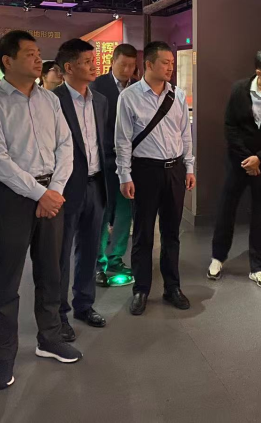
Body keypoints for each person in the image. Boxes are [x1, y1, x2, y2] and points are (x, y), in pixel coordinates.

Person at [0, 30, 81, 391]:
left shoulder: (50, 100)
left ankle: (49, 338)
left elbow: (66, 146)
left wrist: (54, 191)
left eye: (38, 53)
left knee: (51, 271)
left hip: (52, 194)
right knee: (7, 279)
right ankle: (3, 355)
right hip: (12, 198)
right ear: (7, 61)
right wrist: (40, 194)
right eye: (30, 54)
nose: (38, 59)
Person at [116, 40, 195, 316]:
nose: (170, 67)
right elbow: (122, 140)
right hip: (144, 171)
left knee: (172, 233)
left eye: (172, 63)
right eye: (165, 62)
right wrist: (124, 175)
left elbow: (185, 135)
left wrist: (189, 167)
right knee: (143, 233)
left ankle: (172, 287)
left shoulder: (177, 95)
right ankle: (141, 289)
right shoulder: (129, 97)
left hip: (174, 170)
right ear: (148, 64)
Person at [207, 49, 261, 289]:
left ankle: (257, 267)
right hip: (238, 162)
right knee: (226, 210)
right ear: (260, 73)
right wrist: (248, 159)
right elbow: (230, 127)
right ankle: (218, 258)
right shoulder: (239, 90)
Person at [53, 39, 109, 341]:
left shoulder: (100, 101)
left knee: (90, 249)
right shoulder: (53, 101)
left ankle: (84, 305)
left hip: (96, 184)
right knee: (60, 254)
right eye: (87, 61)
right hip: (65, 189)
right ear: (69, 67)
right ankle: (59, 314)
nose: (93, 66)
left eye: (93, 60)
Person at [90, 43, 138, 287]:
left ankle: (116, 258)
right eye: (123, 65)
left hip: (131, 162)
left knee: (124, 211)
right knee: (103, 212)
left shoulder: (138, 88)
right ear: (112, 61)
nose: (127, 70)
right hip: (105, 159)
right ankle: (98, 263)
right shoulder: (97, 86)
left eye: (132, 66)